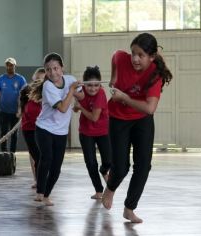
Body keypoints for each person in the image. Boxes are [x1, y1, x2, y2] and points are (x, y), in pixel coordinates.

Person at [102, 33, 173, 223]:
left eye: (141, 55)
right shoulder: (121, 58)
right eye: (133, 52)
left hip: (142, 119)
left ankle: (129, 208)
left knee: (143, 166)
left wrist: (125, 97)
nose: (134, 58)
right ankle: (110, 189)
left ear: (152, 57)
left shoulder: (155, 75)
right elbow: (115, 55)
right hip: (117, 118)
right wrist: (114, 78)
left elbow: (150, 108)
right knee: (121, 166)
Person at [34, 52, 82, 206]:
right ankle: (40, 191)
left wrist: (91, 88)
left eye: (56, 68)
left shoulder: (70, 80)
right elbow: (62, 108)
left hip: (61, 131)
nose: (52, 72)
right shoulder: (48, 86)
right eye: (48, 70)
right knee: (46, 158)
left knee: (56, 168)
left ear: (62, 68)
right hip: (44, 128)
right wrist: (71, 91)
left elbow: (80, 96)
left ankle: (47, 195)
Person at [73, 66, 111, 200]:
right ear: (84, 84)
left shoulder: (101, 94)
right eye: (89, 85)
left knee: (108, 161)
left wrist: (80, 108)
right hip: (86, 132)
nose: (93, 88)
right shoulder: (81, 91)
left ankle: (104, 170)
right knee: (90, 162)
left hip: (102, 130)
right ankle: (99, 190)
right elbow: (75, 109)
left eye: (96, 85)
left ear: (100, 84)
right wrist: (76, 105)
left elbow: (94, 117)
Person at [0, 57, 27, 152]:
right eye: (8, 65)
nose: (9, 67)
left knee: (14, 134)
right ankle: (4, 154)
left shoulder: (20, 79)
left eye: (11, 65)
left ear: (15, 66)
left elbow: (25, 94)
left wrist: (23, 109)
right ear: (6, 66)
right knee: (4, 133)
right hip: (3, 111)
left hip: (16, 112)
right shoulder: (1, 79)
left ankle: (12, 154)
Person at [18, 68, 46, 188]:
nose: (40, 82)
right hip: (30, 129)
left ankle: (41, 180)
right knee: (37, 156)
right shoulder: (28, 93)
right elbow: (25, 109)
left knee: (42, 157)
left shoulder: (48, 93)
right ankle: (38, 181)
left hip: (43, 129)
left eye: (43, 80)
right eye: (38, 80)